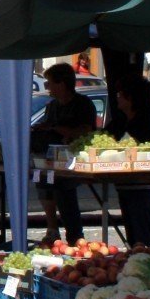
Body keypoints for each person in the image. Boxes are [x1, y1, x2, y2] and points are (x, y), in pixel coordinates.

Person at [32, 63, 98, 245]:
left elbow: (85, 131)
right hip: (51, 159)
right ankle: (52, 229)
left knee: (65, 192)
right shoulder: (52, 106)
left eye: (49, 83)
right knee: (43, 183)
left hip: (74, 160)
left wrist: (56, 128)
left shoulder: (82, 104)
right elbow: (47, 125)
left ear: (61, 84)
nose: (48, 88)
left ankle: (75, 236)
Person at [104, 75, 150, 248]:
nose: (118, 96)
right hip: (125, 185)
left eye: (121, 93)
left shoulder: (145, 123)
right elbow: (102, 137)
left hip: (142, 186)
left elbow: (136, 151)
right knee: (132, 236)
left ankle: (149, 267)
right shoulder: (120, 120)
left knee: (143, 237)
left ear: (131, 98)